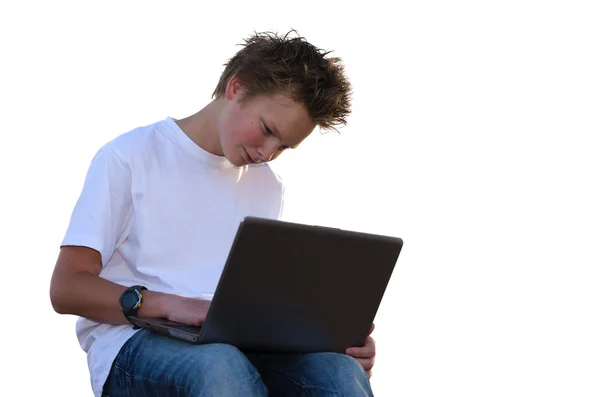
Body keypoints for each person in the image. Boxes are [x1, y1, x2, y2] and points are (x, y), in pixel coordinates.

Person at [50, 30, 376, 397]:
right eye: (267, 130)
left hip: (235, 343)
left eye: (283, 146)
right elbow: (66, 288)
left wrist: (330, 336)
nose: (267, 152)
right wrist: (169, 306)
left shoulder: (268, 186)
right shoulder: (129, 157)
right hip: (134, 342)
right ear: (236, 87)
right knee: (221, 367)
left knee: (338, 374)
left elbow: (256, 300)